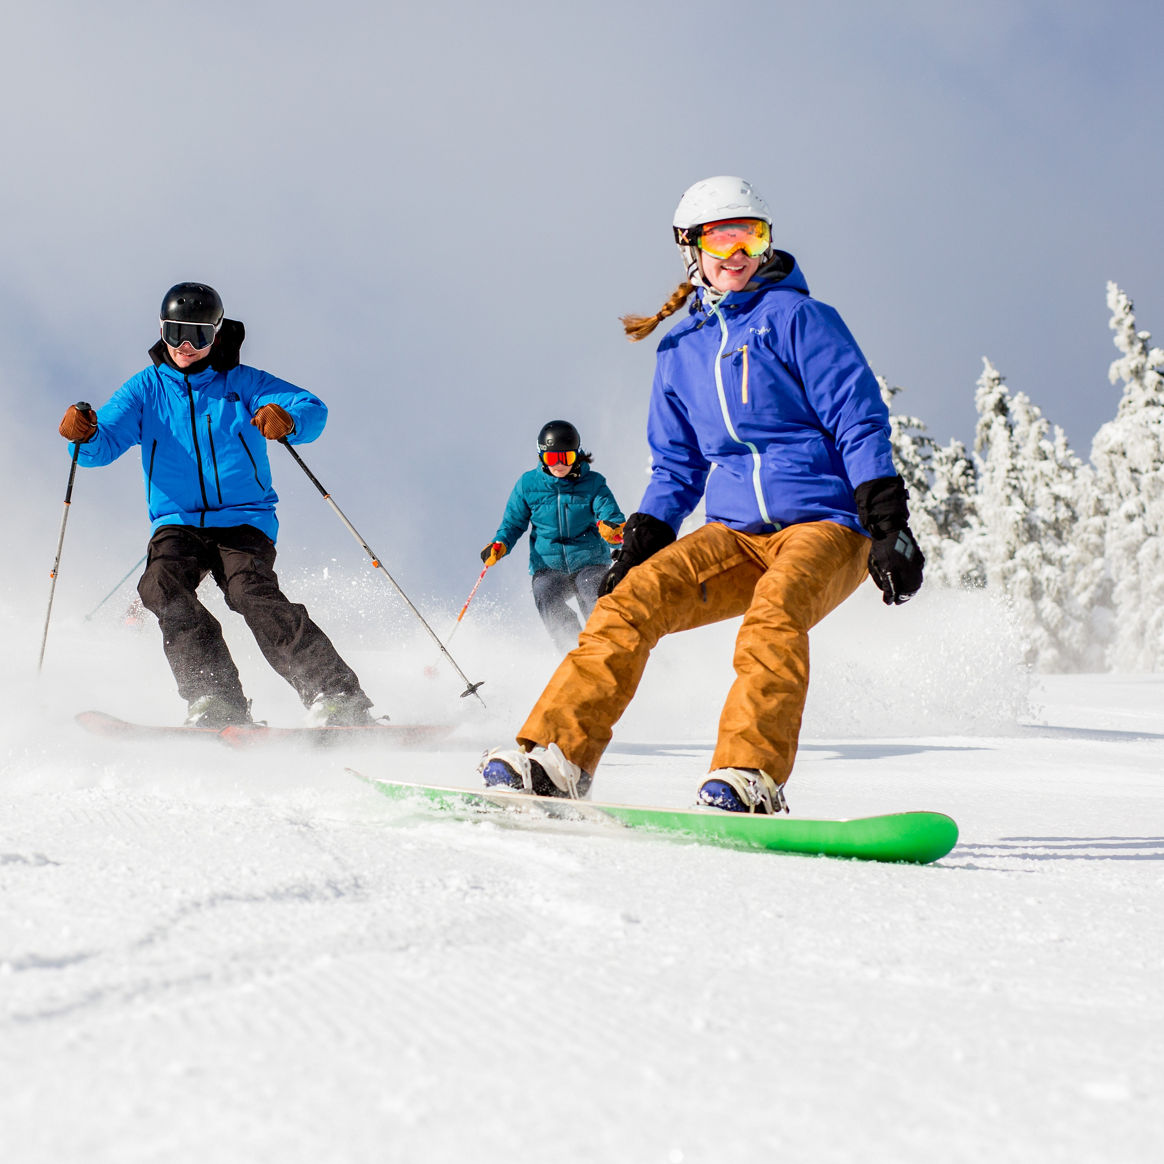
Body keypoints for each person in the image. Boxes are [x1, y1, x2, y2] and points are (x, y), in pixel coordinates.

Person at [478, 177, 924, 812]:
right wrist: (644, 538)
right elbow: (677, 466)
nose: (738, 252)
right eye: (723, 237)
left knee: (774, 616)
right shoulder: (680, 349)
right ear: (691, 248)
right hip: (735, 535)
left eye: (752, 236)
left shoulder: (801, 320)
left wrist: (886, 522)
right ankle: (556, 759)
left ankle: (750, 777)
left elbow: (858, 418)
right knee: (628, 603)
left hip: (826, 525)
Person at [58, 282, 377, 729]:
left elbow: (310, 408)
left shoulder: (242, 383)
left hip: (244, 519)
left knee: (250, 592)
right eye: (175, 334)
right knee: (161, 585)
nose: (185, 346)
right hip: (178, 522)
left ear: (217, 333)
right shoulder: (145, 390)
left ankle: (337, 695)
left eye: (199, 335)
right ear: (161, 330)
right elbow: (102, 443)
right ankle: (215, 697)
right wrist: (84, 434)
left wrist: (288, 419)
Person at [480, 420, 626, 653]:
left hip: (589, 562)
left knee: (593, 591)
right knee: (544, 593)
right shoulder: (528, 485)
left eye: (565, 458)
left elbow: (608, 514)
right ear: (541, 457)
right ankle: (572, 648)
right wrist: (500, 544)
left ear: (576, 455)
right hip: (549, 567)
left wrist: (613, 530)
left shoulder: (593, 483)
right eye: (551, 458)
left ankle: (604, 644)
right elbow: (513, 523)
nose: (559, 465)